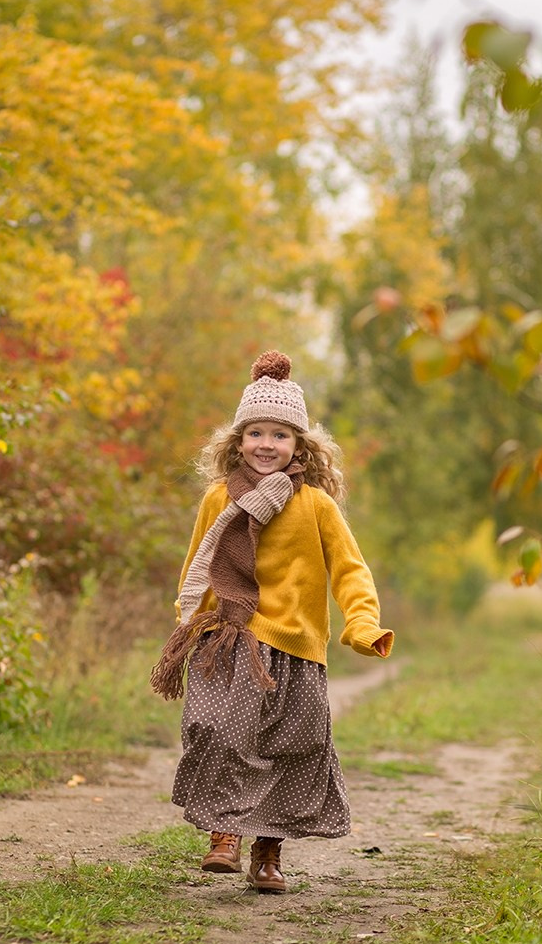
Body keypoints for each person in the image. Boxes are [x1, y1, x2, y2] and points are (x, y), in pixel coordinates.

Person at [151, 350, 393, 894]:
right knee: (213, 729)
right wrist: (187, 620)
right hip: (230, 638)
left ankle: (267, 854)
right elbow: (199, 562)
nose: (267, 444)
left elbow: (351, 571)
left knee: (290, 747)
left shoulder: (317, 507)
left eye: (280, 435)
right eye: (256, 432)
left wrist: (362, 624)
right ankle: (224, 835)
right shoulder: (219, 498)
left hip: (298, 646)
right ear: (237, 442)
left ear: (300, 446)